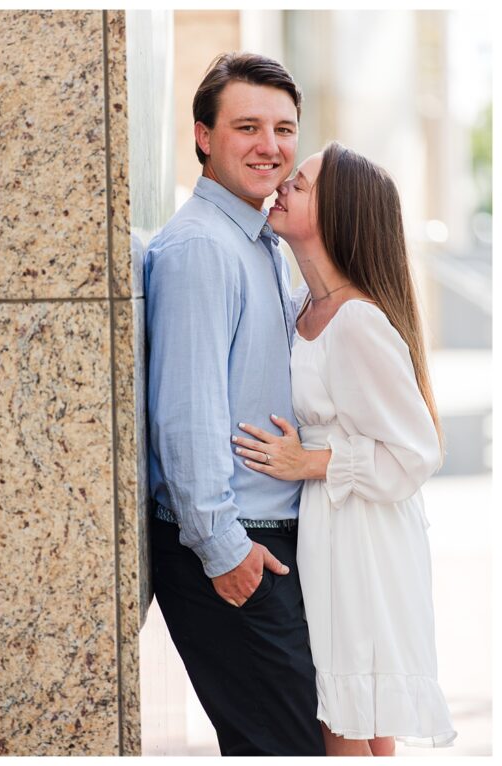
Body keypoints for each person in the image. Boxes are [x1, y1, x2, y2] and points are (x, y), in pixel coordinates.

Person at [233, 142, 457, 755]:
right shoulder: (309, 306)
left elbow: (418, 450)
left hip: (363, 534)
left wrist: (314, 461)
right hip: (331, 525)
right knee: (354, 715)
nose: (281, 186)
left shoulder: (357, 322)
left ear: (337, 215)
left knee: (347, 719)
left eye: (299, 186)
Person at [144, 51, 325, 755]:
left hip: (267, 538)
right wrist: (224, 551)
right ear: (202, 136)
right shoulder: (200, 249)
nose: (270, 146)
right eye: (247, 126)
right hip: (229, 546)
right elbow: (185, 412)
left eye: (284, 129)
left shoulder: (260, 240)